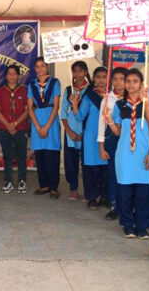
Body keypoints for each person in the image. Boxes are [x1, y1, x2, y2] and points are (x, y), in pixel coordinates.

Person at [104, 68, 149, 239]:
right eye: (128, 81)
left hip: (143, 153)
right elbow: (118, 132)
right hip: (125, 154)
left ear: (141, 84)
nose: (131, 84)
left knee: (143, 193)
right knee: (125, 192)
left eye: (135, 81)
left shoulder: (147, 103)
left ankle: (142, 226)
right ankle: (127, 224)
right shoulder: (120, 105)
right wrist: (109, 119)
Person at [71, 66, 109, 210]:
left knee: (106, 169)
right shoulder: (89, 96)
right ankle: (92, 197)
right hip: (90, 138)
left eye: (104, 77)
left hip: (107, 137)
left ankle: (105, 197)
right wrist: (75, 104)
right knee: (91, 168)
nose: (101, 80)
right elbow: (80, 117)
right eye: (98, 77)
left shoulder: (112, 97)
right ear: (93, 79)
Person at [27, 57, 61, 199]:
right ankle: (44, 185)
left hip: (50, 121)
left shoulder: (54, 83)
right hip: (37, 120)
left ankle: (54, 187)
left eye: (42, 66)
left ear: (47, 67)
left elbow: (56, 106)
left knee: (51, 154)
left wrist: (46, 127)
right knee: (40, 154)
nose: (40, 69)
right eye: (37, 66)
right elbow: (30, 107)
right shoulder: (32, 84)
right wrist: (37, 126)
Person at [0, 64, 29, 194]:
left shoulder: (24, 91)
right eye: (9, 74)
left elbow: (27, 110)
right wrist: (8, 125)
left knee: (21, 156)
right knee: (7, 156)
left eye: (14, 74)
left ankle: (22, 180)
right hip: (4, 128)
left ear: (18, 76)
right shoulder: (0, 91)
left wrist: (15, 124)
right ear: (6, 76)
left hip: (21, 128)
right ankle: (8, 181)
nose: (12, 76)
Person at [98, 67, 127, 221]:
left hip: (129, 140)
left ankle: (128, 206)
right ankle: (114, 206)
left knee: (127, 174)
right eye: (115, 79)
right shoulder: (107, 100)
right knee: (114, 174)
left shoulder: (133, 99)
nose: (118, 82)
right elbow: (101, 124)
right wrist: (101, 147)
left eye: (122, 79)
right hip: (112, 139)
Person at [60, 61, 91, 200]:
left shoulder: (91, 90)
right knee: (70, 162)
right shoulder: (69, 90)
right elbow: (63, 113)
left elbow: (92, 113)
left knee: (87, 163)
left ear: (86, 72)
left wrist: (84, 133)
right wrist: (69, 131)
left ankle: (89, 191)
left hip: (86, 131)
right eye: (75, 71)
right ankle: (73, 189)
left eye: (80, 71)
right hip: (71, 132)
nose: (77, 74)